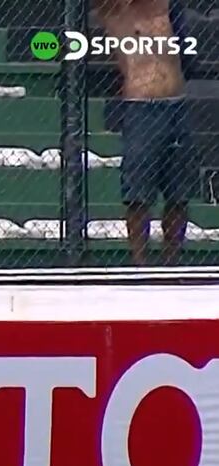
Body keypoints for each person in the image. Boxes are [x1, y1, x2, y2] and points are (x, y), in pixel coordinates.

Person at [95, 0, 197, 266]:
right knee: (138, 194)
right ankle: (139, 263)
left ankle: (172, 263)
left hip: (176, 103)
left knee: (179, 194)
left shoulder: (168, 9)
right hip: (142, 107)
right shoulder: (117, 9)